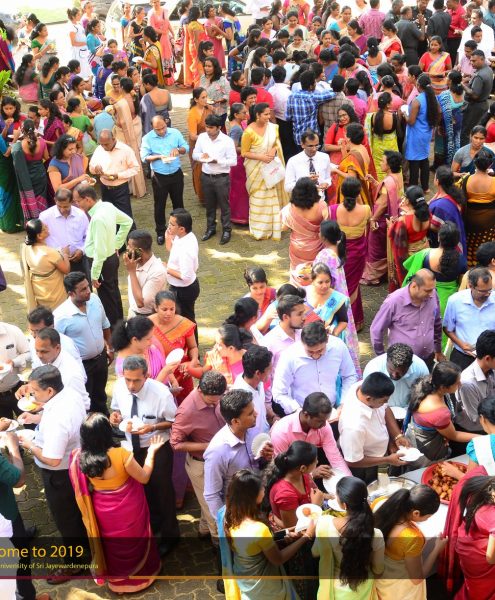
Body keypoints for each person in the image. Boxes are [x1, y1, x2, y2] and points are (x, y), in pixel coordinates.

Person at [69, 413, 161, 592]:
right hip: (129, 507)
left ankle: (118, 583)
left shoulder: (79, 458)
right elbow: (144, 478)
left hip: (102, 509)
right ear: (107, 432)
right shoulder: (121, 454)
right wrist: (151, 453)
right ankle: (139, 581)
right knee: (136, 541)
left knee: (112, 546)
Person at [17, 365, 87, 580]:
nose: (32, 396)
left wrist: (29, 445)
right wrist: (36, 419)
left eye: (35, 392)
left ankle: (75, 564)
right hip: (76, 464)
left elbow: (52, 459)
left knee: (67, 520)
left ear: (49, 390)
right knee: (78, 514)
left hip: (59, 474)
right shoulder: (68, 395)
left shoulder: (58, 417)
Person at [109, 355, 179, 556]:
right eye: (127, 379)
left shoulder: (161, 394)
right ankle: (153, 526)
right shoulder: (119, 387)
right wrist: (115, 417)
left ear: (146, 376)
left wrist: (153, 427)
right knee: (144, 491)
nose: (131, 385)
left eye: (136, 380)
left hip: (156, 447)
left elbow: (174, 421)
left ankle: (170, 536)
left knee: (163, 493)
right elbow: (116, 409)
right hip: (132, 448)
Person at [221, 469, 314, 600]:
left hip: (247, 583)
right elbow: (278, 559)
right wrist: (307, 536)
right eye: (262, 488)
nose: (264, 489)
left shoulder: (228, 516)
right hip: (265, 590)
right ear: (252, 496)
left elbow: (255, 543)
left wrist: (287, 532)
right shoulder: (259, 529)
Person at [170, 371, 227, 540]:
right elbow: (175, 443)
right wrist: (209, 446)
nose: (216, 404)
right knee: (214, 511)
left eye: (218, 400)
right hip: (201, 465)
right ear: (200, 390)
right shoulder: (186, 411)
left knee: (209, 501)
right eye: (211, 401)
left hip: (218, 461)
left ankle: (203, 531)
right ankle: (218, 545)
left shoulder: (217, 397)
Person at [204, 389, 274, 520]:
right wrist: (226, 523)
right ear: (236, 421)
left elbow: (259, 464)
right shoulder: (218, 451)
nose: (256, 414)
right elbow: (212, 495)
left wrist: (266, 457)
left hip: (258, 502)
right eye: (250, 413)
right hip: (238, 514)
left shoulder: (252, 431)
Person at [312, 477, 385, 597]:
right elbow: (378, 570)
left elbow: (315, 552)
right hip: (364, 590)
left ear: (344, 505)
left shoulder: (324, 523)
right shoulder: (376, 534)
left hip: (333, 591)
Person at [73, 184, 132, 327]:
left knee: (107, 300)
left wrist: (94, 275)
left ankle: (115, 331)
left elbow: (99, 251)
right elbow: (127, 222)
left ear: (87, 199)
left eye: (78, 201)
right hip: (110, 258)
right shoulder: (107, 206)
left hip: (102, 262)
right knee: (114, 294)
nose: (77, 204)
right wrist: (117, 244)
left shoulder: (98, 218)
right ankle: (120, 326)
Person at [54, 272, 112, 415]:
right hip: (82, 365)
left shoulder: (95, 300)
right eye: (83, 289)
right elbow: (57, 346)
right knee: (85, 400)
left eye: (88, 286)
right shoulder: (61, 316)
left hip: (101, 359)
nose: (88, 291)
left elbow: (105, 324)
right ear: (71, 293)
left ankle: (104, 422)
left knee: (100, 396)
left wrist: (110, 348)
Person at [374, 485, 446, 599]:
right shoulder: (411, 538)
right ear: (416, 513)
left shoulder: (382, 505)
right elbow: (417, 579)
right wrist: (436, 549)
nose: (427, 519)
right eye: (428, 517)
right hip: (399, 588)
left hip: (381, 578)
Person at [272, 321, 357, 414]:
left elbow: (349, 376)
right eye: (310, 352)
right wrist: (298, 411)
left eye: (320, 350)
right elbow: (279, 392)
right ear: (302, 342)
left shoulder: (338, 347)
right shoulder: (289, 356)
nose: (315, 356)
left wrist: (343, 404)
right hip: (303, 413)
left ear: (327, 339)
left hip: (333, 410)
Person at [405, 361, 479, 464]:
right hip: (428, 451)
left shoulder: (426, 385)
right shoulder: (439, 412)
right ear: (444, 387)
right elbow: (455, 435)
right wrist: (483, 438)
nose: (460, 384)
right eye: (457, 383)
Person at [339, 372, 407, 482]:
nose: (386, 403)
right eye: (383, 401)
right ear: (369, 398)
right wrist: (387, 460)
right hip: (363, 466)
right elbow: (352, 461)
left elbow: (386, 409)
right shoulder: (354, 426)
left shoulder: (366, 387)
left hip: (379, 456)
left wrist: (397, 436)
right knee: (369, 486)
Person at [370, 269, 444, 370]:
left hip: (428, 358)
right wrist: (382, 357)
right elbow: (376, 330)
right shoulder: (393, 302)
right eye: (427, 290)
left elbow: (437, 323)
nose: (431, 294)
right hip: (402, 364)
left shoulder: (433, 295)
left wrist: (438, 349)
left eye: (433, 289)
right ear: (414, 286)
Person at [402, 221, 467, 330]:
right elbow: (461, 284)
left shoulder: (424, 254)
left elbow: (410, 270)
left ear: (439, 238)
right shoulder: (461, 260)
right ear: (456, 241)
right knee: (442, 330)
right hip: (447, 302)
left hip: (424, 297)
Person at [0, 431, 41, 600]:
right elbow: (18, 479)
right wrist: (13, 447)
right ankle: (26, 595)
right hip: (5, 518)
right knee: (20, 558)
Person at [271, 391, 351, 473]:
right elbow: (283, 469)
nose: (324, 425)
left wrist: (349, 479)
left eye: (326, 420)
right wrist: (312, 474)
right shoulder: (281, 432)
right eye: (320, 421)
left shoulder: (324, 426)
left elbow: (336, 459)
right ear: (306, 415)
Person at [241, 103, 288, 241]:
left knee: (272, 195)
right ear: (257, 115)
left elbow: (276, 143)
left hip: (270, 168)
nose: (269, 117)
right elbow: (244, 153)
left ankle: (275, 227)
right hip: (256, 170)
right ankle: (260, 230)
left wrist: (273, 151)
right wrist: (261, 157)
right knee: (259, 198)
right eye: (266, 114)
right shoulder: (248, 132)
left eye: (269, 114)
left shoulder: (273, 128)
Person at [329, 177, 371, 330]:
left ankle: (339, 318)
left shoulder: (332, 209)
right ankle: (354, 320)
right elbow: (368, 226)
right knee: (353, 285)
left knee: (340, 283)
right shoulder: (366, 210)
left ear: (342, 192)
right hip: (358, 254)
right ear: (358, 193)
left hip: (339, 254)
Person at [140, 116, 189, 244]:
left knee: (178, 203)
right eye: (158, 129)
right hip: (159, 176)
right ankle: (161, 232)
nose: (161, 131)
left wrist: (178, 150)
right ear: (152, 127)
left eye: (163, 128)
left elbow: (186, 147)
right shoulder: (147, 138)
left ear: (166, 123)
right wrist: (158, 157)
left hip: (176, 173)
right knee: (159, 205)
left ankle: (181, 229)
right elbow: (144, 157)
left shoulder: (175, 133)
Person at [306, 262, 360, 373]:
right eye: (320, 282)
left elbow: (343, 321)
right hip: (306, 341)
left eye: (327, 281)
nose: (325, 286)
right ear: (312, 281)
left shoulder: (337, 298)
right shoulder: (304, 294)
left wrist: (334, 334)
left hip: (326, 342)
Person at [193, 114, 237, 245]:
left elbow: (233, 161)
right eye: (207, 127)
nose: (208, 130)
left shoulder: (227, 141)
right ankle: (210, 228)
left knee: (224, 205)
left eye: (211, 127)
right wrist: (202, 156)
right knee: (209, 205)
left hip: (221, 177)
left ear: (219, 127)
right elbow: (195, 154)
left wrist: (217, 161)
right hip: (206, 176)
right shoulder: (202, 137)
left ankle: (226, 230)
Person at [362, 150, 403, 286]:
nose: (380, 163)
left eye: (383, 161)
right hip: (389, 217)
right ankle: (384, 273)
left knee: (375, 248)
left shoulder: (389, 181)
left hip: (380, 219)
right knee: (384, 247)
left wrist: (373, 219)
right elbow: (389, 193)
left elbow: (385, 202)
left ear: (389, 165)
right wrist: (375, 182)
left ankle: (373, 277)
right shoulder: (396, 176)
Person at [150, 290, 199, 403]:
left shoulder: (184, 324)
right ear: (156, 308)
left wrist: (192, 363)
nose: (169, 313)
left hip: (181, 372)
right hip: (158, 373)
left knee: (185, 404)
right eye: (164, 309)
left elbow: (193, 347)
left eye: (172, 309)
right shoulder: (147, 324)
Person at [443, 267, 495, 370]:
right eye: (482, 291)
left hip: (491, 357)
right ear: (470, 286)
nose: (487, 294)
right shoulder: (455, 301)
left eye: (489, 290)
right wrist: (461, 344)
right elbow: (448, 329)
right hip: (463, 356)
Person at [28, 327, 90, 410]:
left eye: (44, 351)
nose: (39, 356)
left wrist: (47, 407)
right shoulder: (49, 358)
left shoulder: (70, 374)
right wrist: (31, 387)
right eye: (37, 351)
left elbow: (83, 405)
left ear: (57, 348)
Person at [89, 129, 141, 220]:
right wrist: (95, 168)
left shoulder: (125, 150)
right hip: (105, 187)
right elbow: (91, 167)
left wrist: (118, 175)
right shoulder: (99, 149)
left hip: (120, 188)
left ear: (113, 139)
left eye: (106, 144)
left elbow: (136, 168)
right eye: (101, 144)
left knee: (125, 216)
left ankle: (130, 229)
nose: (104, 147)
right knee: (109, 216)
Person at [20, 218, 70, 313]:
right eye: (44, 228)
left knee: (46, 314)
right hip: (55, 294)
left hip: (39, 291)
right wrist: (65, 254)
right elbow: (66, 270)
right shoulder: (50, 253)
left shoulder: (26, 248)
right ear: (39, 236)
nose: (47, 227)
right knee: (58, 314)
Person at [281, 177, 328, 274]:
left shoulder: (289, 208)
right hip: (317, 248)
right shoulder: (322, 205)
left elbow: (283, 228)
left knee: (298, 274)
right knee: (317, 273)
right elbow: (327, 226)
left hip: (297, 248)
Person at [388, 186, 430, 290]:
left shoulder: (403, 220)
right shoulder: (426, 212)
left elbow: (393, 234)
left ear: (408, 200)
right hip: (425, 249)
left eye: (405, 197)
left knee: (411, 279)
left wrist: (390, 225)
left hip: (411, 255)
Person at [363, 343, 429, 409]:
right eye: (391, 369)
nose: (394, 375)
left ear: (410, 365)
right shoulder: (372, 370)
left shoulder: (420, 368)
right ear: (386, 360)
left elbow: (424, 394)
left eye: (400, 372)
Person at [39, 188, 89, 275]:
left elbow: (89, 237)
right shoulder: (45, 217)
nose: (62, 210)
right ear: (55, 200)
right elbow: (40, 241)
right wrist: (59, 252)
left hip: (78, 260)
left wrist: (82, 250)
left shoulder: (80, 215)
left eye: (66, 207)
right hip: (55, 262)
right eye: (59, 206)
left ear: (72, 202)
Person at [403, 74, 439, 191]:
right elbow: (438, 113)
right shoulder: (433, 98)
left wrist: (404, 115)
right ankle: (425, 187)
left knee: (414, 161)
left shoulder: (417, 101)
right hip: (426, 133)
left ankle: (413, 187)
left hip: (416, 134)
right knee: (424, 159)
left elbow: (411, 121)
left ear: (418, 85)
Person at [454, 331, 495, 434]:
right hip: (475, 430)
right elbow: (476, 418)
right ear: (488, 358)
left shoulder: (491, 369)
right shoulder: (468, 383)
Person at [112, 78, 146, 199]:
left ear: (122, 87)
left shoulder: (121, 103)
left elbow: (120, 122)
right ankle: (137, 184)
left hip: (126, 132)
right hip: (136, 126)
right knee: (135, 155)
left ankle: (131, 187)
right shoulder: (133, 97)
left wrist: (113, 116)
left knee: (126, 158)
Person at [461, 149, 495, 266]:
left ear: (474, 163)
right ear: (490, 165)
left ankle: (470, 264)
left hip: (470, 221)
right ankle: (485, 263)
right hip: (489, 222)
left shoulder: (466, 180)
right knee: (485, 245)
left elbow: (461, 199)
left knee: (470, 244)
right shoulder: (494, 181)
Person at [11, 120, 48, 223]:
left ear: (22, 130)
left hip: (25, 176)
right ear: (35, 128)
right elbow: (46, 157)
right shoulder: (42, 142)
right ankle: (41, 221)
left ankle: (31, 222)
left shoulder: (19, 146)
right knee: (41, 198)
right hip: (40, 175)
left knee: (29, 197)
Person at [123, 229, 167, 318]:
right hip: (133, 313)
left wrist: (132, 272)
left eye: (129, 246)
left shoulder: (157, 272)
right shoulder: (135, 262)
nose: (127, 248)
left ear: (139, 251)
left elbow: (140, 303)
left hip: (147, 319)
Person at [286, 70, 335, 146]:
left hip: (298, 137)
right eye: (315, 83)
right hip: (312, 138)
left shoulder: (291, 97)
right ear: (311, 86)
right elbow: (332, 94)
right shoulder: (313, 97)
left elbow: (288, 117)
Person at [428, 166, 466, 256]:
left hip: (443, 241)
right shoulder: (452, 193)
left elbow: (435, 227)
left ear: (437, 181)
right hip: (455, 234)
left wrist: (424, 222)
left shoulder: (440, 206)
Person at [334, 123, 374, 207]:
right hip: (363, 186)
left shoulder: (353, 155)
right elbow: (348, 164)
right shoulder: (362, 148)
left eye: (345, 133)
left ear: (348, 138)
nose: (344, 135)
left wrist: (336, 171)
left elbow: (352, 177)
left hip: (355, 193)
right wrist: (343, 148)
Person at [261, 294, 306, 370]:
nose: (304, 318)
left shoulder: (304, 334)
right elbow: (265, 373)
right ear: (285, 317)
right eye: (299, 314)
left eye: (303, 313)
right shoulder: (269, 342)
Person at [284, 129, 332, 198]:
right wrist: (305, 183)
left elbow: (328, 178)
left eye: (317, 145)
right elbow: (287, 187)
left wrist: (326, 183)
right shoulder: (293, 161)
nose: (314, 149)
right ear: (302, 145)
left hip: (320, 199)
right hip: (301, 201)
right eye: (310, 146)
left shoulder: (325, 157)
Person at [461, 50, 494, 146]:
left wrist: (462, 85)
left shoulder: (480, 75)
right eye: (471, 60)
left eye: (474, 61)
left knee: (467, 133)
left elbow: (474, 95)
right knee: (477, 130)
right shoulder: (488, 69)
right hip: (483, 104)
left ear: (482, 59)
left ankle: (465, 152)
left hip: (474, 107)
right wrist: (471, 78)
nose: (471, 63)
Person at [0, 320, 30, 419]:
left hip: (17, 389)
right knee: (5, 428)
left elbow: (28, 353)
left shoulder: (12, 331)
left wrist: (14, 362)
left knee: (30, 423)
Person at [368, 93, 400, 183]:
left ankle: (378, 186)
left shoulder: (373, 116)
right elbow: (400, 133)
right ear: (388, 105)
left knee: (379, 168)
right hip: (391, 147)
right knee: (392, 167)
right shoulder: (393, 116)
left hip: (377, 148)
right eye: (391, 102)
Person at [228, 102, 250, 225]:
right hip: (238, 162)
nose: (246, 114)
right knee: (240, 189)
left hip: (239, 160)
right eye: (243, 112)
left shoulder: (237, 124)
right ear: (236, 115)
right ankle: (240, 215)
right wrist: (248, 149)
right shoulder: (236, 128)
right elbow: (233, 147)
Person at [148, 0, 175, 85]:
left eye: (157, 1)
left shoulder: (165, 11)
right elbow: (152, 27)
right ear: (151, 3)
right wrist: (163, 32)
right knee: (159, 56)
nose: (156, 3)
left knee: (167, 56)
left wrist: (172, 32)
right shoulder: (151, 13)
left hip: (166, 38)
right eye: (154, 2)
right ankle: (160, 79)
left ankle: (169, 78)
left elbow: (168, 22)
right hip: (157, 38)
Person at [67, 8, 91, 80]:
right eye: (78, 14)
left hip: (83, 51)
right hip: (78, 52)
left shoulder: (78, 24)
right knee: (80, 69)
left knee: (85, 67)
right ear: (73, 16)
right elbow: (73, 43)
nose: (80, 15)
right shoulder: (72, 27)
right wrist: (85, 43)